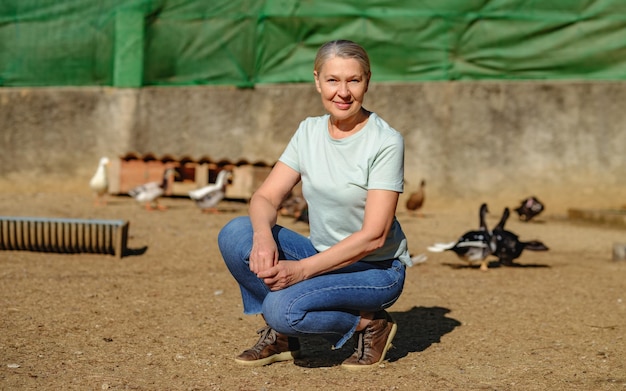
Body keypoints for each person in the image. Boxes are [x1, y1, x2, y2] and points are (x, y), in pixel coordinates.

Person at [217, 39, 413, 370]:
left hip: (375, 270)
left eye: (354, 80)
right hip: (321, 254)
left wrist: (301, 270)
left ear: (367, 81)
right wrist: (264, 238)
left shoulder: (385, 141)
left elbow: (374, 236)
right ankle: (284, 337)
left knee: (283, 309)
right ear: (317, 80)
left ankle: (371, 325)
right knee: (236, 234)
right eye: (333, 80)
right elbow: (265, 197)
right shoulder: (308, 132)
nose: (343, 92)